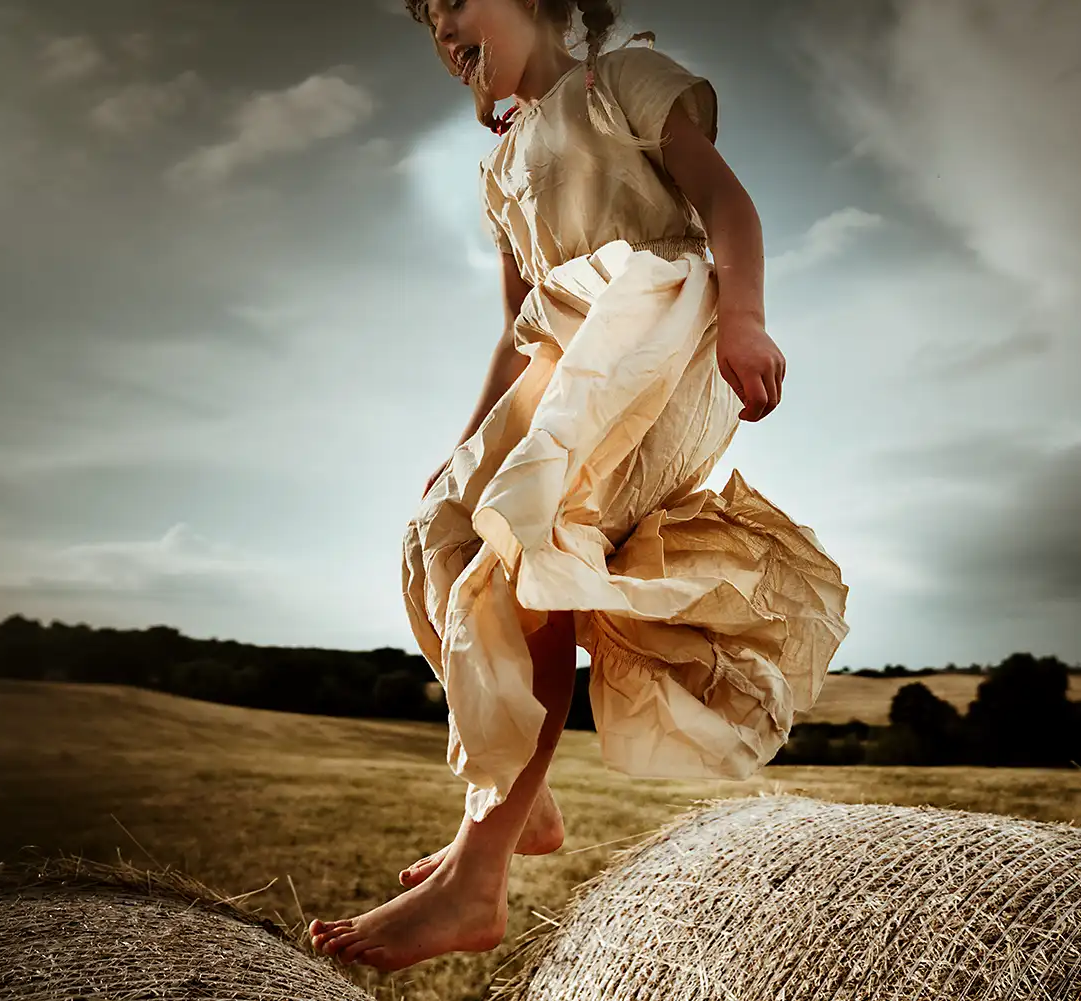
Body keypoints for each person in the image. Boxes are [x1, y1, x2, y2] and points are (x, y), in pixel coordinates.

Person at [309, 0, 849, 972]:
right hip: (560, 365)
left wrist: (749, 317)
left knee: (527, 550)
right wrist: (465, 443)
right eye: (426, 22)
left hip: (653, 335)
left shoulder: (619, 85)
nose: (441, 34)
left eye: (454, 4)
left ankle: (478, 877)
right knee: (441, 540)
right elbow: (516, 323)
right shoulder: (500, 167)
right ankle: (521, 798)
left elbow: (728, 204)